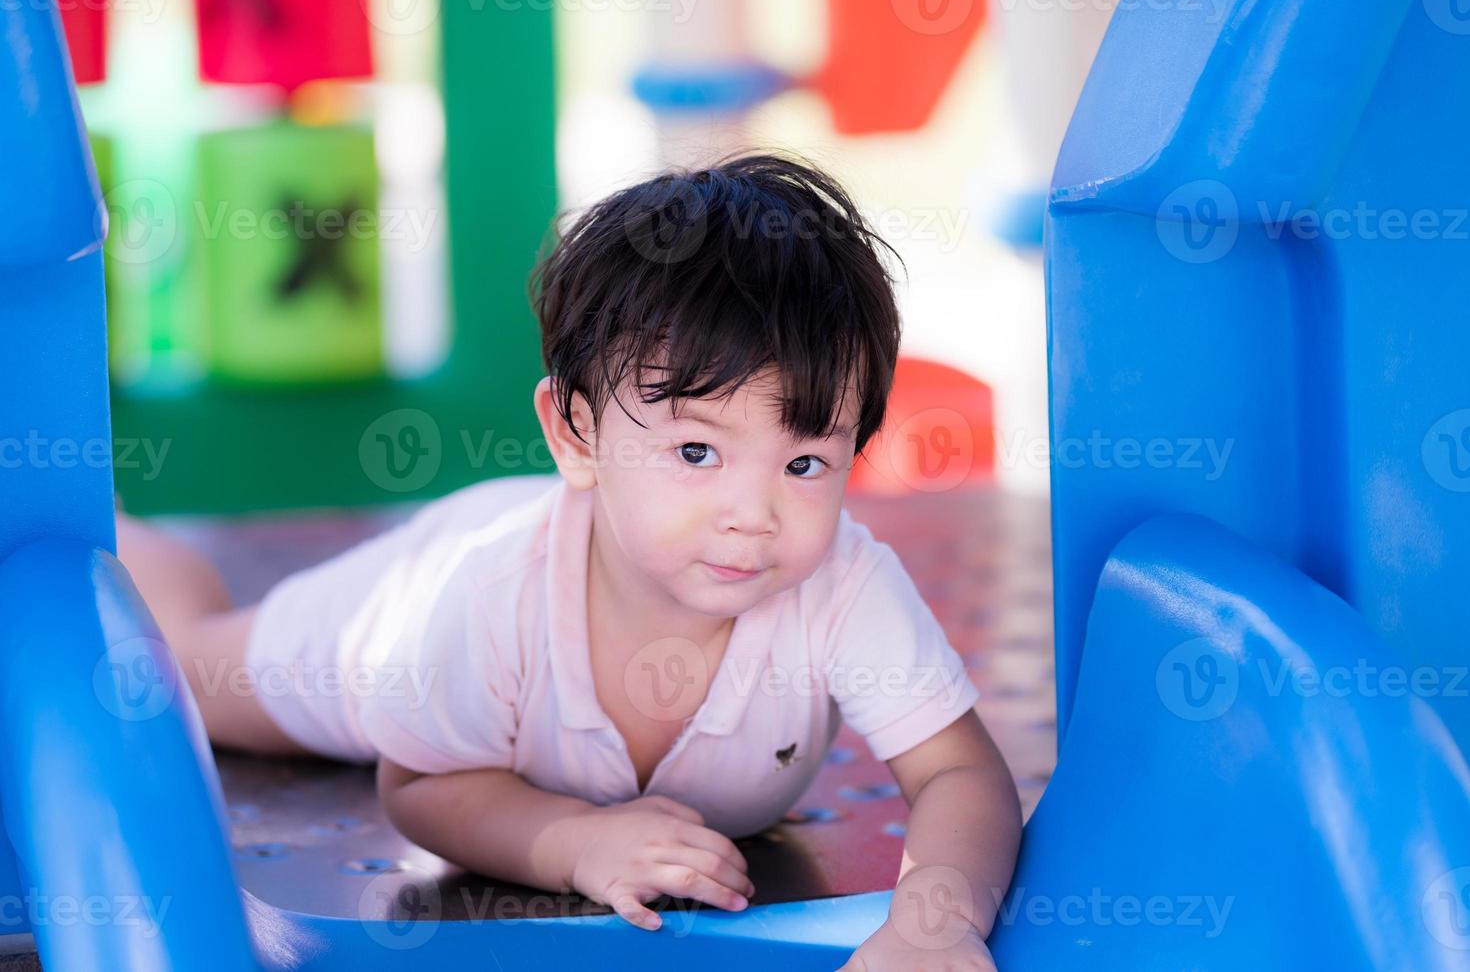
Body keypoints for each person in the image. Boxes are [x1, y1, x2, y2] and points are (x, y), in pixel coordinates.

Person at [117, 151, 1020, 968]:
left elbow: (959, 774)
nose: (754, 515)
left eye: (805, 463)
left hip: (538, 567)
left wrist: (933, 920)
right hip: (401, 615)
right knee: (191, 662)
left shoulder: (843, 584)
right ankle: (102, 528)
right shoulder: (483, 598)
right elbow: (423, 785)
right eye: (697, 454)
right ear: (574, 431)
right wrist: (573, 842)